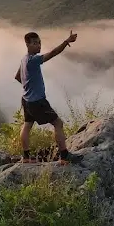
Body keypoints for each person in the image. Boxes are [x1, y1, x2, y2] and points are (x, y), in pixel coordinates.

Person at [14, 30, 79, 164]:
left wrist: (29, 87)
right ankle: (64, 156)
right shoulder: (34, 60)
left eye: (39, 43)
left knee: (27, 126)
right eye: (35, 43)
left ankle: (26, 157)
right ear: (27, 44)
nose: (39, 46)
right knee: (58, 123)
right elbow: (53, 53)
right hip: (38, 101)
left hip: (26, 100)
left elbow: (18, 77)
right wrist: (66, 42)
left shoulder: (23, 59)